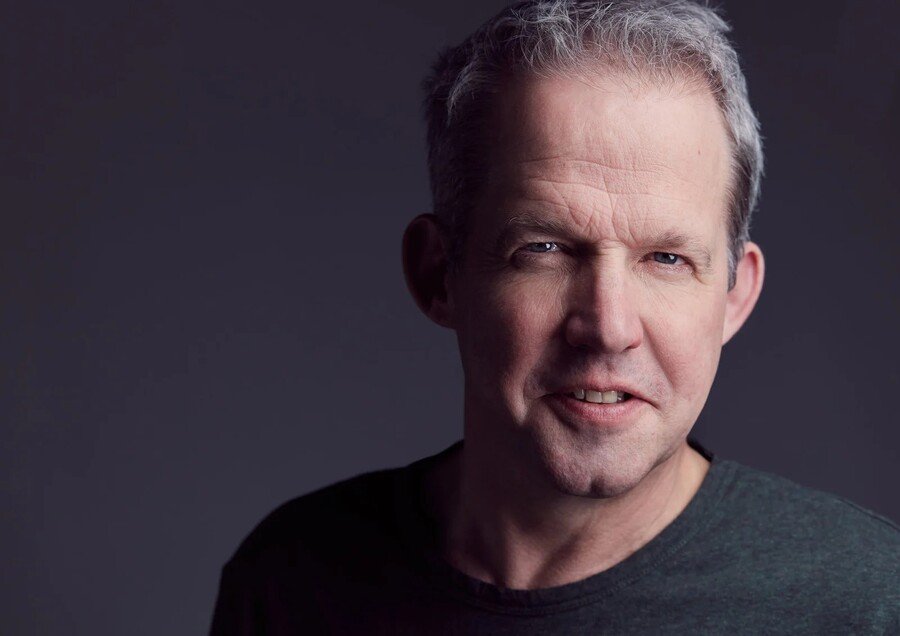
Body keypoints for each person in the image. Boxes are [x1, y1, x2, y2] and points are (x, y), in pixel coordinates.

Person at [210, 1, 900, 633]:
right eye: (543, 249)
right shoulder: (292, 583)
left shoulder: (866, 603)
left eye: (666, 258)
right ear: (437, 274)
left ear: (733, 295)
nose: (608, 326)